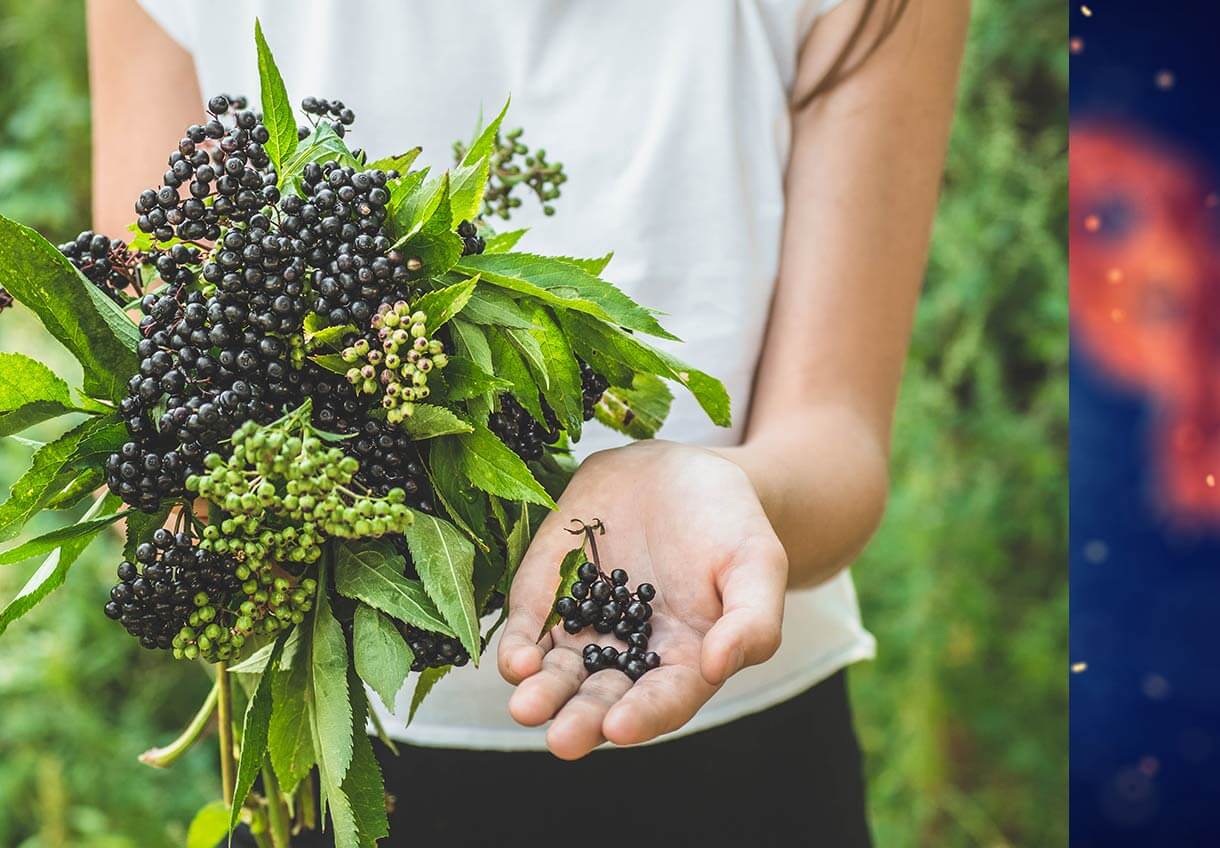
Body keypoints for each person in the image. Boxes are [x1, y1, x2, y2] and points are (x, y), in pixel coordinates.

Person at [88, 1, 968, 844]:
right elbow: (158, 375)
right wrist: (219, 507)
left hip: (733, 732)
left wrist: (729, 491)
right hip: (347, 760)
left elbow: (838, 441)